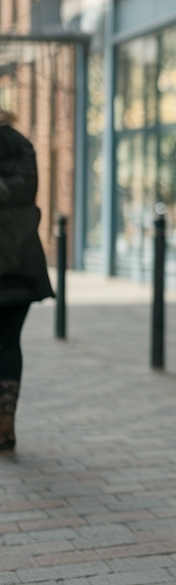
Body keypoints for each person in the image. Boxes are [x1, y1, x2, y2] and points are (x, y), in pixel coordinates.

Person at [0, 113, 54, 452]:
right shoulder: (21, 145)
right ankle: (6, 425)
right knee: (8, 342)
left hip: (14, 265)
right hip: (22, 262)